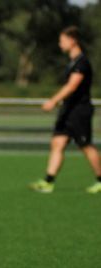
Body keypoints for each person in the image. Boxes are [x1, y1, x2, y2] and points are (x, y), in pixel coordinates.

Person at [29, 26, 101, 194]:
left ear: (73, 40)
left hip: (79, 111)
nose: (60, 44)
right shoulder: (72, 63)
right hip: (67, 110)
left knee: (86, 146)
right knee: (57, 142)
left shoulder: (82, 63)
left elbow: (72, 85)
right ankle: (48, 181)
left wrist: (53, 101)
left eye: (62, 40)